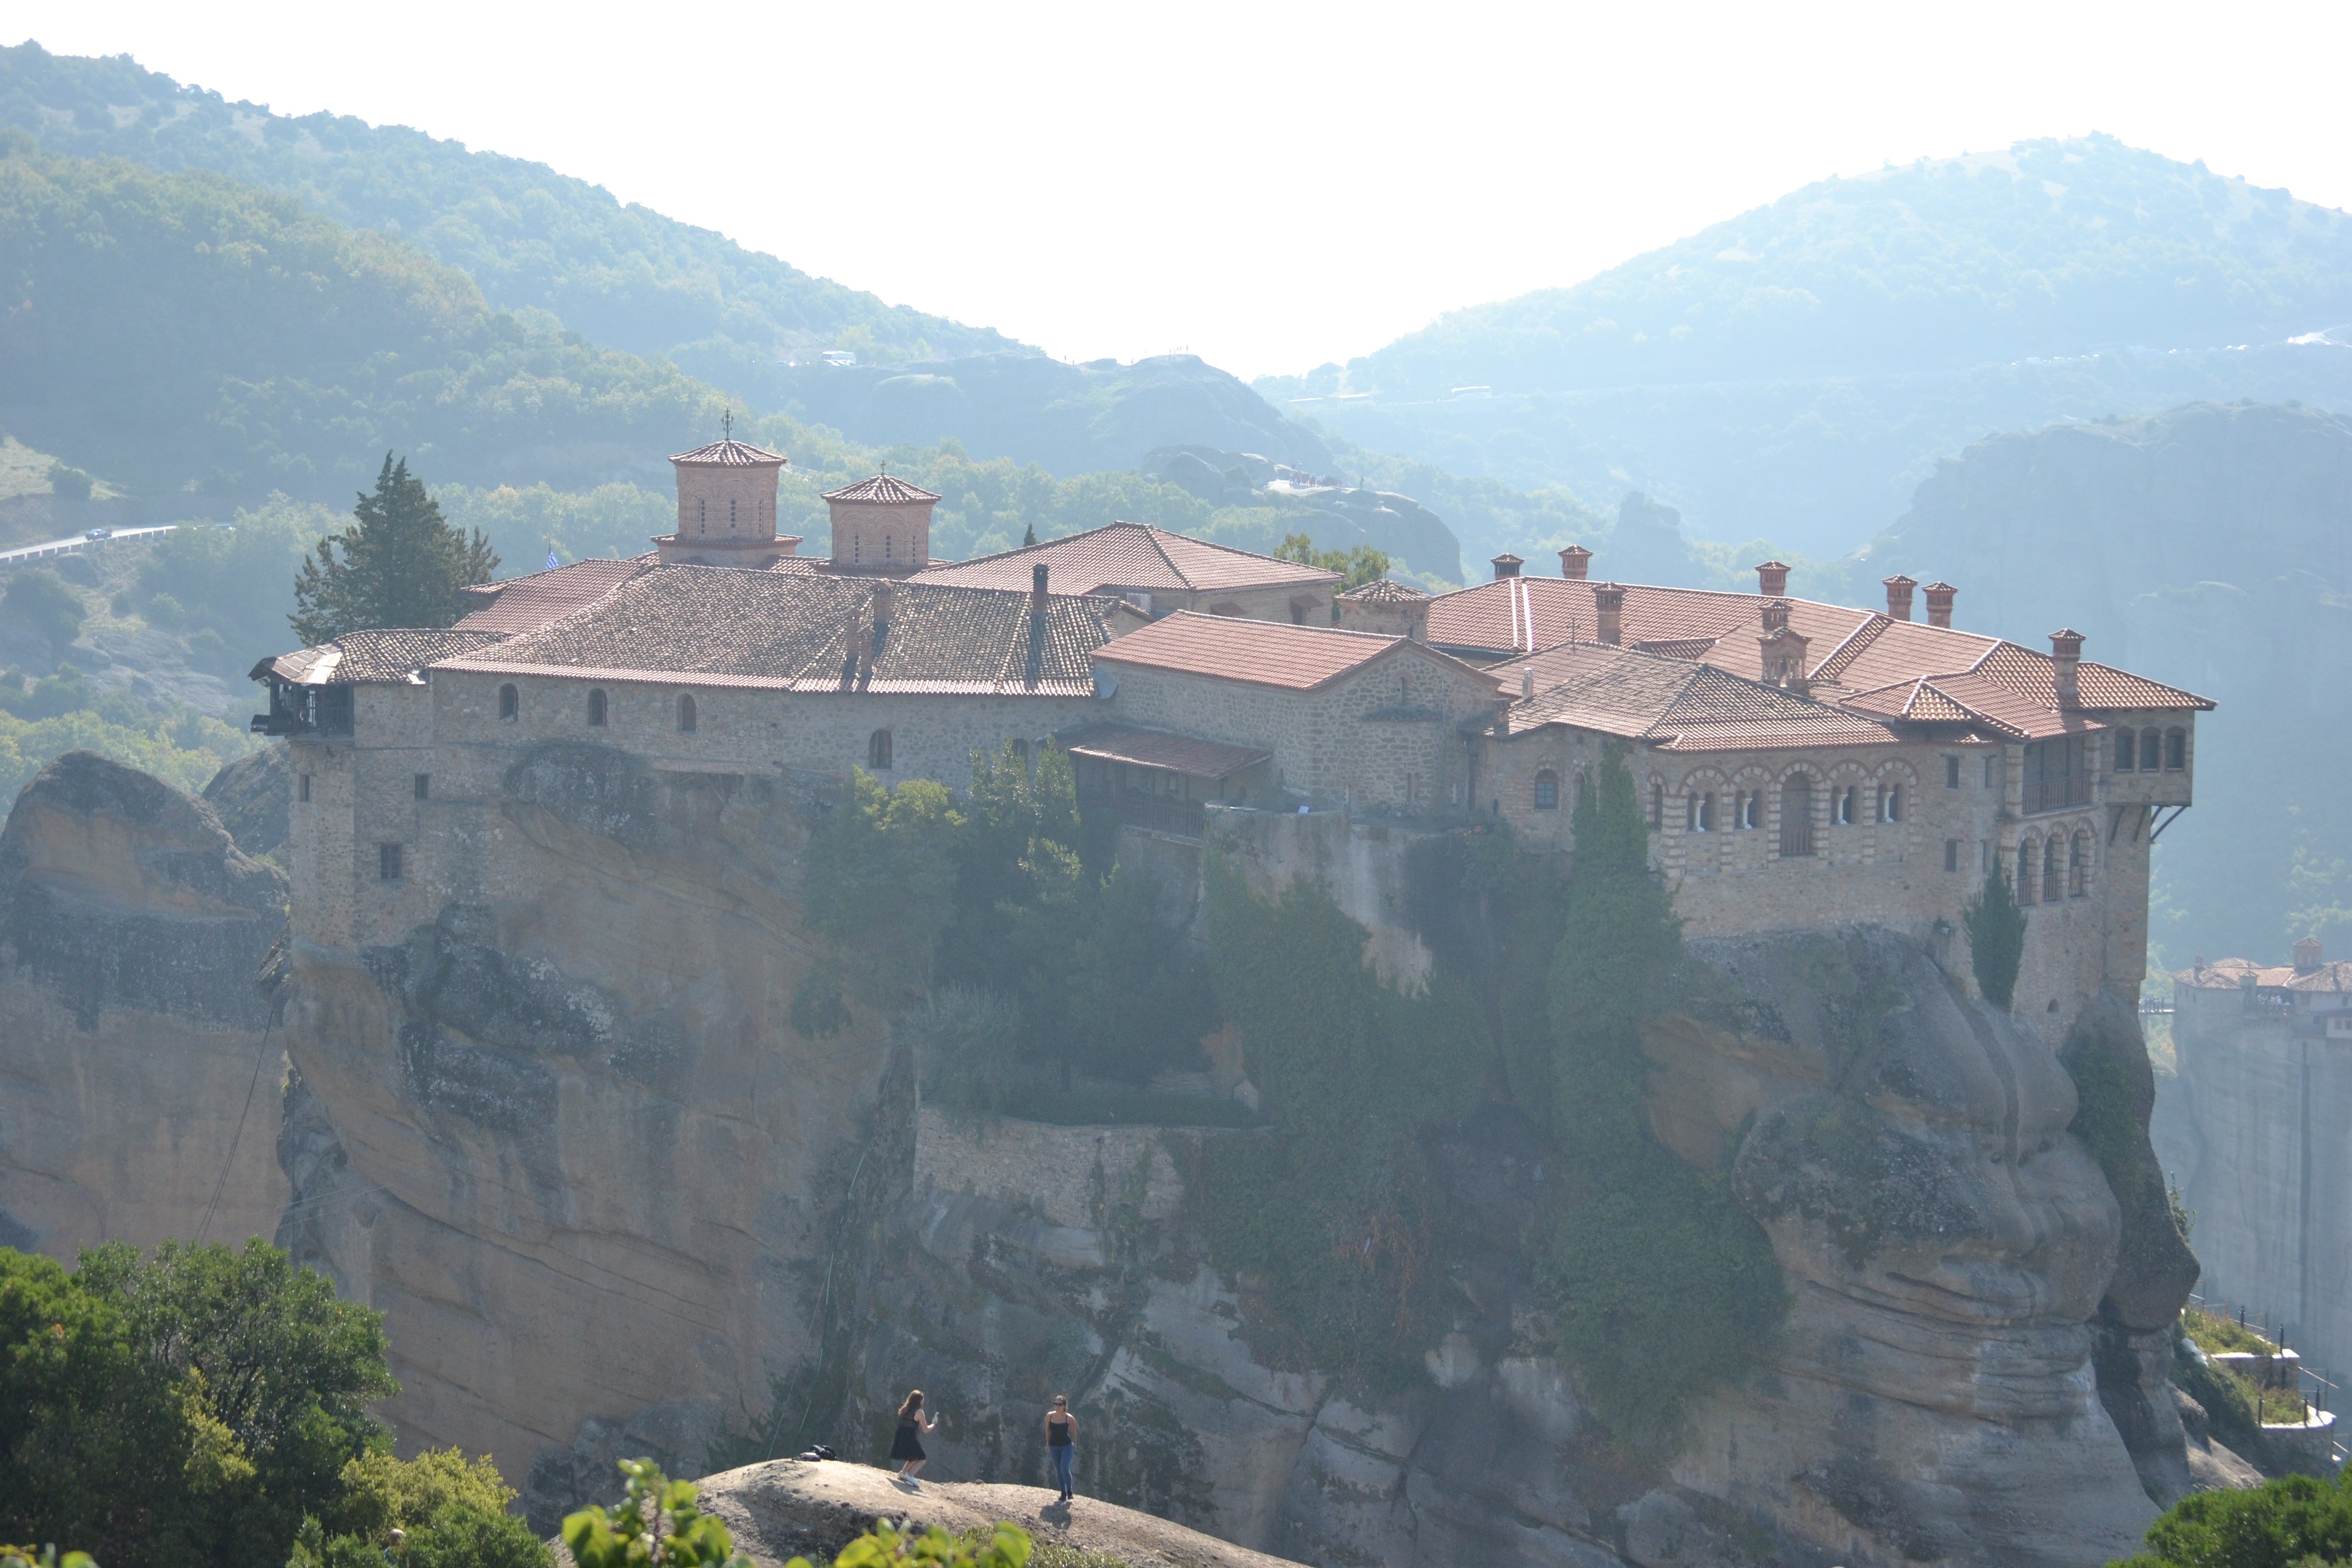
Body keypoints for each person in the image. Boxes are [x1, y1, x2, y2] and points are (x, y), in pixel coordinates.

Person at [890, 1389, 938, 1482]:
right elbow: (926, 1430)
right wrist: (934, 1424)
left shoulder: (904, 1409)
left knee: (914, 1456)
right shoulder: (919, 1412)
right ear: (919, 1401)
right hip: (910, 1438)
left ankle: (903, 1473)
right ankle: (910, 1476)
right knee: (922, 1457)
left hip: (900, 1437)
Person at [1043, 1394, 1078, 1502]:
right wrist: (1048, 1443)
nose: (1057, 1406)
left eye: (1060, 1404)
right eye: (1056, 1404)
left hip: (1067, 1446)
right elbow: (1048, 1430)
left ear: (1064, 1406)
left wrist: (1075, 1444)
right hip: (1054, 1446)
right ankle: (1063, 1493)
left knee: (1064, 1468)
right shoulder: (1049, 1416)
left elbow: (1074, 1432)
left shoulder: (1069, 1418)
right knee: (1058, 1470)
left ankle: (1070, 1491)